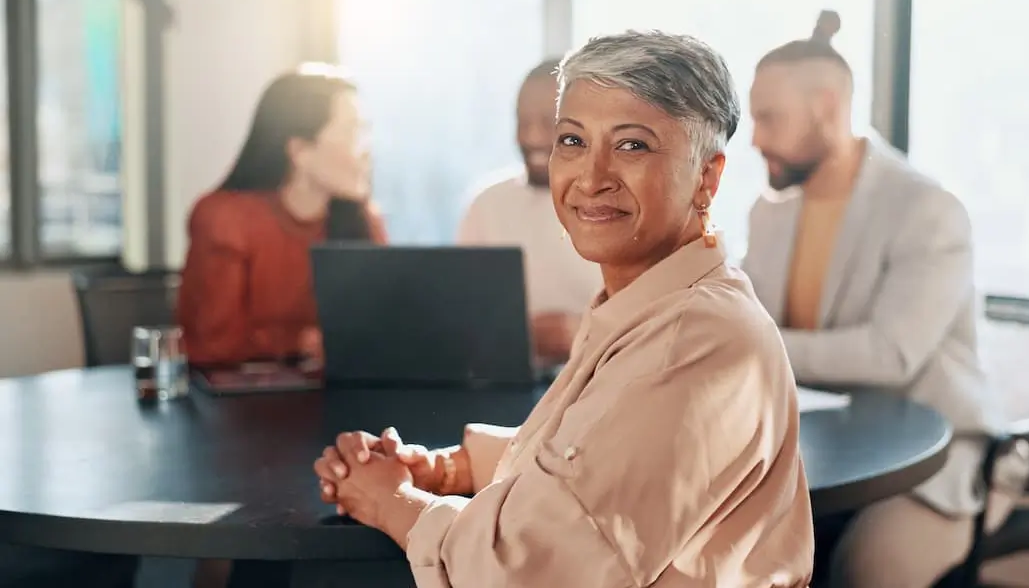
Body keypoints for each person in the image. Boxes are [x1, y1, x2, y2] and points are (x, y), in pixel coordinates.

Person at [314, 31, 815, 587]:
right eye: (573, 141)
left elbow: (533, 567)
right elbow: (588, 453)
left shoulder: (696, 337)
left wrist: (392, 504)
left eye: (632, 146)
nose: (591, 177)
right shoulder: (650, 305)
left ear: (708, 177)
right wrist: (448, 467)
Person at [741, 16, 1029, 587]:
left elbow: (890, 355)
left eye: (768, 118)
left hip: (934, 457)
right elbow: (743, 318)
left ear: (827, 106)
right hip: (819, 445)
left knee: (865, 570)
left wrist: (757, 343)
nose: (753, 139)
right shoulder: (770, 210)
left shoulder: (927, 210)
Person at [176, 63, 388, 368]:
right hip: (241, 410)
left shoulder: (364, 219)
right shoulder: (224, 219)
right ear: (300, 150)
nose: (367, 150)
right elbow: (213, 345)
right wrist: (304, 342)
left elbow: (388, 330)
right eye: (353, 132)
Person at [457, 58, 602, 363]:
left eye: (548, 123)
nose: (532, 137)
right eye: (522, 123)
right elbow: (462, 320)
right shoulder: (487, 205)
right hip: (508, 384)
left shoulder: (615, 207)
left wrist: (580, 334)